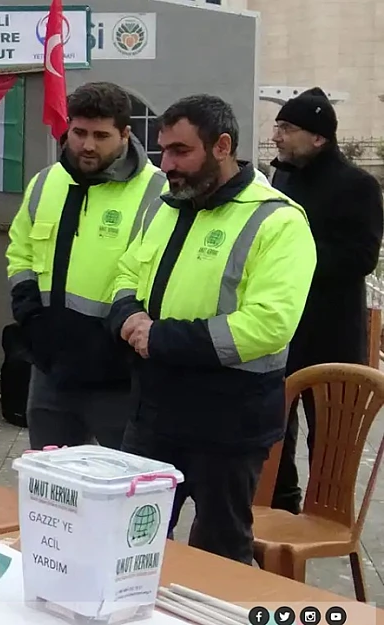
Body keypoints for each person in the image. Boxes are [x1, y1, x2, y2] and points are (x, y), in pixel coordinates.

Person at [109, 94, 316, 564]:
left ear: (222, 146)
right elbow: (126, 272)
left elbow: (268, 325)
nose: (167, 164)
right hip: (155, 411)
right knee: (128, 544)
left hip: (228, 421)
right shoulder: (170, 206)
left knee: (220, 554)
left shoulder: (278, 219)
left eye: (181, 151)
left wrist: (159, 337)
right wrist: (127, 318)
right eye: (163, 150)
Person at [5, 82, 166, 450]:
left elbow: (160, 275)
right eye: (78, 133)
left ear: (126, 134)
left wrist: (124, 337)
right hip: (51, 369)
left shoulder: (157, 192)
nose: (87, 145)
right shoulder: (46, 182)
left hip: (117, 375)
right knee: (51, 488)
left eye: (101, 135)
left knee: (120, 488)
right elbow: (21, 249)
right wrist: (29, 313)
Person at [268, 87, 384, 514]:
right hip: (282, 328)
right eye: (278, 126)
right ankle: (280, 509)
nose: (277, 136)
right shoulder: (283, 179)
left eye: (287, 128)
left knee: (330, 440)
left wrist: (294, 254)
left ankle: (326, 518)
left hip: (333, 334)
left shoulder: (357, 185)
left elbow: (361, 257)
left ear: (319, 137)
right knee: (275, 432)